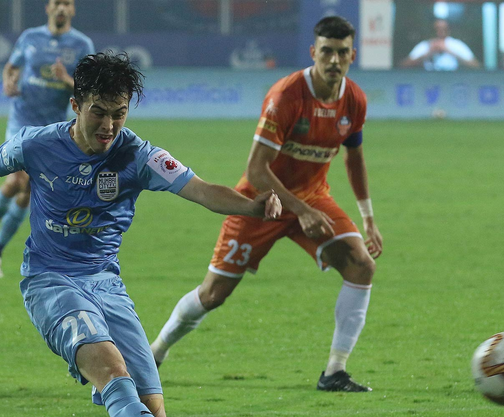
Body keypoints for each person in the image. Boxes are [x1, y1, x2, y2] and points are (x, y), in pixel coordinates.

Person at [0, 52, 282, 417]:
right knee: (114, 374)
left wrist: (252, 207)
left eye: (119, 113)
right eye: (99, 112)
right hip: (51, 281)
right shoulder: (37, 144)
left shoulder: (138, 154)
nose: (109, 125)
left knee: (151, 415)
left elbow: (200, 189)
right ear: (76, 105)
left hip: (106, 284)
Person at [149, 16, 384, 393]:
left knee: (361, 265)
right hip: (261, 203)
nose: (334, 60)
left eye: (342, 53)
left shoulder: (354, 99)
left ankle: (335, 371)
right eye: (327, 51)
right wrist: (300, 210)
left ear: (352, 55)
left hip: (313, 198)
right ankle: (155, 352)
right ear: (313, 52)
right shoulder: (286, 96)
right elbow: (257, 170)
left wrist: (367, 217)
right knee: (213, 294)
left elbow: (354, 158)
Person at [0, 0, 94, 279]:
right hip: (21, 119)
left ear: (72, 10)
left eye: (67, 4)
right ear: (48, 8)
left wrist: (66, 79)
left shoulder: (82, 45)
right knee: (16, 180)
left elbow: (88, 90)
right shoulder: (30, 37)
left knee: (28, 190)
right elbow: (11, 67)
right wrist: (8, 81)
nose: (61, 8)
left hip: (52, 128)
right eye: (57, 3)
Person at [399, 19, 479, 71]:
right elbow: (403, 66)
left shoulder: (456, 45)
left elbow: (475, 65)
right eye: (437, 29)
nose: (440, 32)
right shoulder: (425, 45)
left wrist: (449, 51)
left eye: (443, 29)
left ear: (448, 30)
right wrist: (428, 53)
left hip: (452, 81)